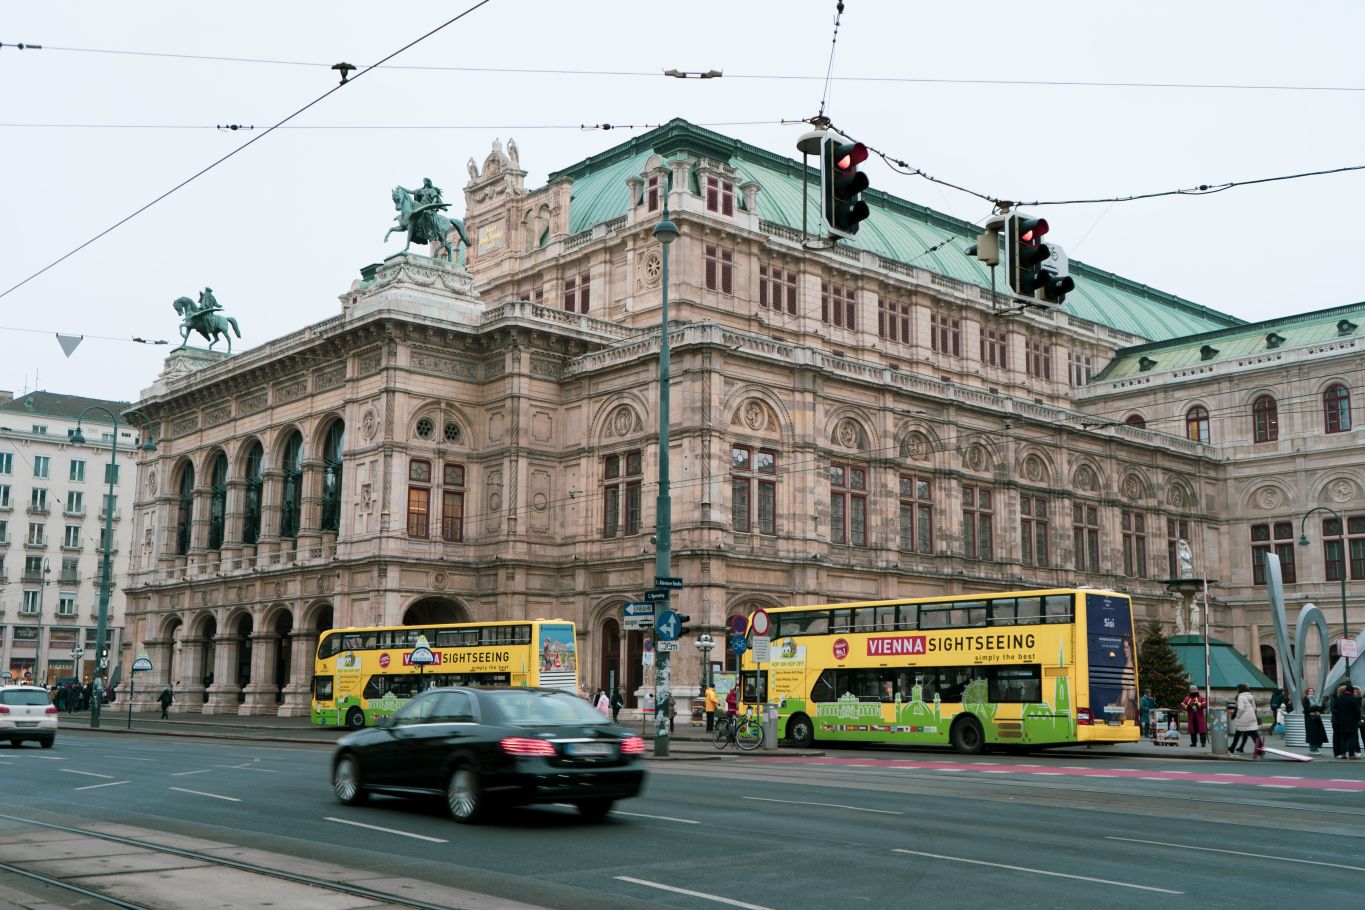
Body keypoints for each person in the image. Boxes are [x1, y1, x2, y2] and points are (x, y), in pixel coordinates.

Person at [1229, 682, 1263, 756]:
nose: (1237, 690)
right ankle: (1260, 749)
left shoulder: (1240, 697)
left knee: (1237, 734)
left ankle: (1232, 748)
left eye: (1237, 689)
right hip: (1251, 717)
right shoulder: (1251, 696)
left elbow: (1240, 708)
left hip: (1243, 718)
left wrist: (1237, 716)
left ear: (1240, 689)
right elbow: (1254, 708)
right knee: (1254, 734)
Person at [1330, 683, 1362, 759]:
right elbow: (1357, 711)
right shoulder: (1353, 699)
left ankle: (1343, 753)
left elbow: (1335, 710)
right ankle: (1351, 754)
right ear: (1351, 691)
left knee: (1343, 738)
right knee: (1352, 737)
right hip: (1352, 721)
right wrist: (1357, 719)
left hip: (1341, 722)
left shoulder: (1339, 699)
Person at [1302, 686, 1327, 755]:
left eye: (1312, 691)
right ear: (1307, 693)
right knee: (1312, 735)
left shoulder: (1315, 700)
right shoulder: (1306, 699)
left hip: (1316, 718)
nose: (1312, 692)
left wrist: (1322, 706)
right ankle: (1313, 749)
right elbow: (1306, 710)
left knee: (1318, 734)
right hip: (1310, 719)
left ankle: (1317, 748)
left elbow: (1318, 709)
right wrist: (1317, 708)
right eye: (1310, 691)